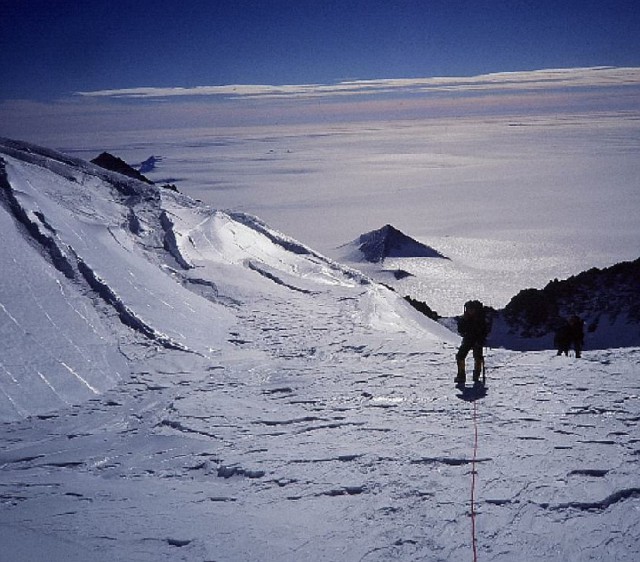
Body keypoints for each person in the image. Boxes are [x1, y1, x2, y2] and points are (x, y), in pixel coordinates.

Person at [455, 300, 491, 385]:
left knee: (477, 357)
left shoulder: (480, 319)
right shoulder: (465, 318)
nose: (469, 310)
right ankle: (461, 376)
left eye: (471, 309)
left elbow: (484, 331)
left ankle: (476, 375)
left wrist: (481, 339)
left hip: (477, 340)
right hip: (468, 339)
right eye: (468, 309)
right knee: (460, 356)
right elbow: (460, 329)